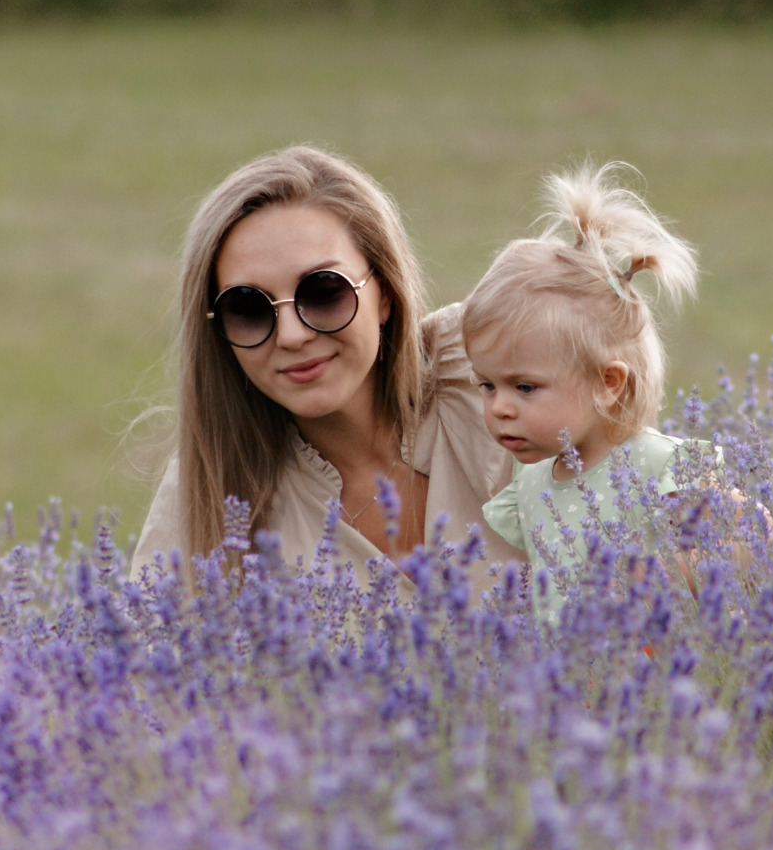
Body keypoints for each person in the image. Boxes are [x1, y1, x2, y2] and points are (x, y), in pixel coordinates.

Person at [134, 145, 518, 580]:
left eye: (323, 292)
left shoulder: (493, 370)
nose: (292, 335)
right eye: (248, 308)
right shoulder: (211, 494)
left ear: (385, 293)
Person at [465, 163, 742, 616]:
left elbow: (753, 537)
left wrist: (664, 583)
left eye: (524, 387)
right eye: (487, 385)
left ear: (607, 384)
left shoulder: (660, 465)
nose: (499, 407)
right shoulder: (532, 484)